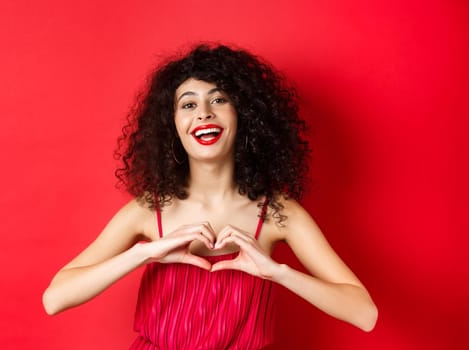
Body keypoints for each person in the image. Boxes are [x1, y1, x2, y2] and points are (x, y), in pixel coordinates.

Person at [42, 44, 378, 349]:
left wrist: (275, 271)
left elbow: (364, 314)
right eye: (188, 104)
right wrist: (144, 254)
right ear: (172, 124)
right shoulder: (148, 210)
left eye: (219, 100)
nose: (204, 113)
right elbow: (55, 299)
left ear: (243, 115)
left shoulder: (278, 213)